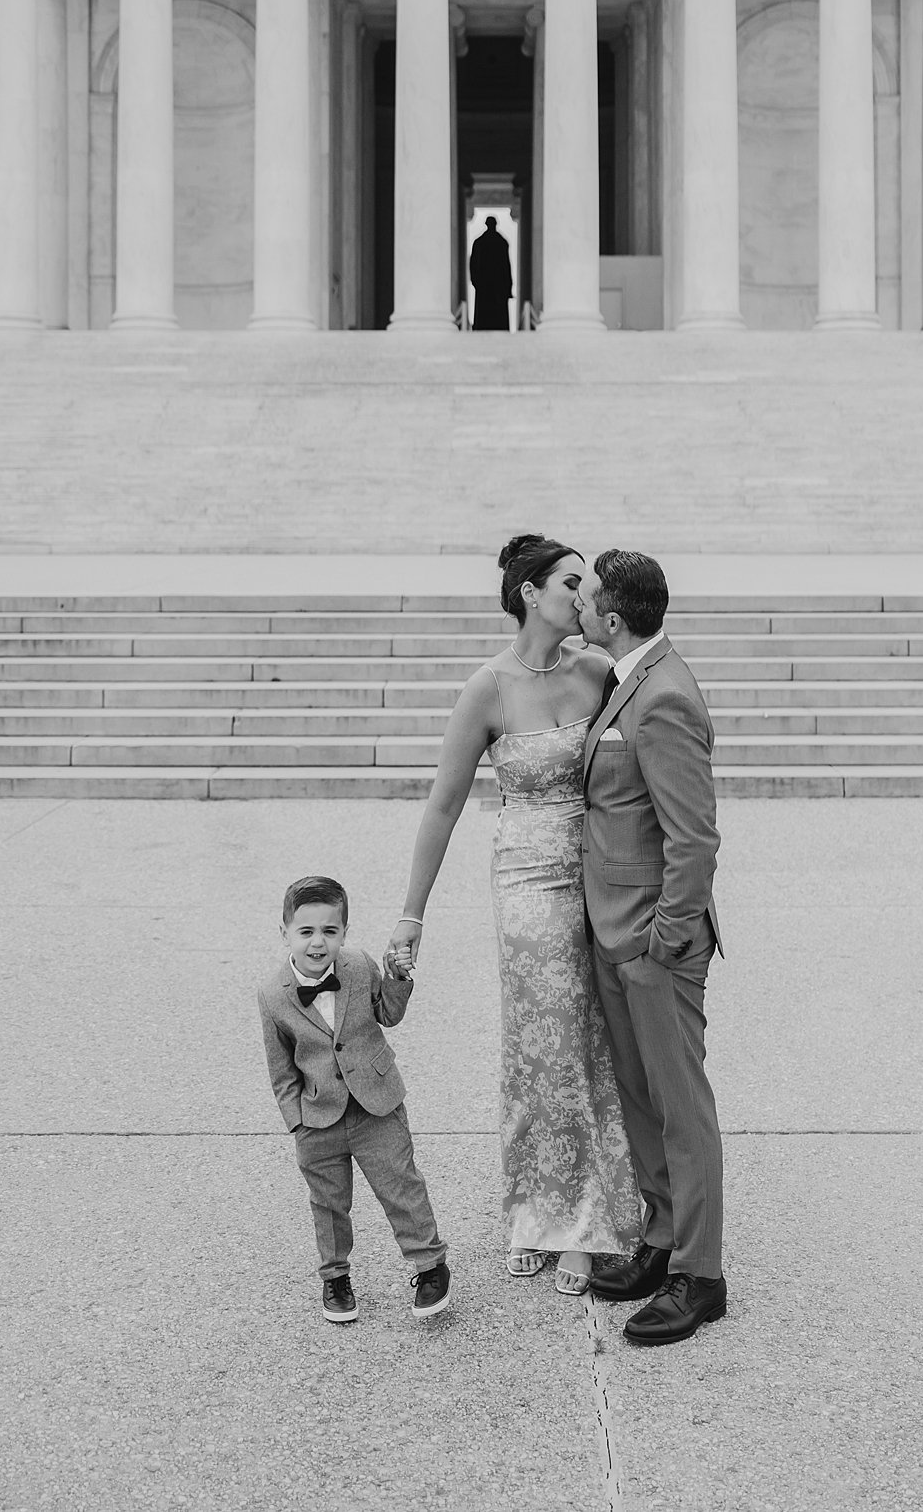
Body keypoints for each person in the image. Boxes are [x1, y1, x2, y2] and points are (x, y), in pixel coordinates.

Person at [389, 534, 640, 1293]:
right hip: (528, 884)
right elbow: (443, 806)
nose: (586, 597)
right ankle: (540, 1211)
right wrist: (411, 916)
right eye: (572, 583)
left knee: (598, 1040)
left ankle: (602, 1211)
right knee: (542, 1044)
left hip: (598, 877)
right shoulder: (488, 689)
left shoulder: (599, 671)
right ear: (530, 592)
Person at [575, 549, 727, 1346]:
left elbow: (694, 837)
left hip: (652, 944)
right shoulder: (626, 675)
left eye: (588, 599)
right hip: (614, 932)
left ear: (613, 616)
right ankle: (661, 1239)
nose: (578, 609)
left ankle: (701, 1275)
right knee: (640, 1100)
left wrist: (664, 940)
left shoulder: (664, 695)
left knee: (680, 1106)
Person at [256, 872, 451, 1324]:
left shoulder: (360, 965)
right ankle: (335, 1276)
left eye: (330, 930)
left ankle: (430, 1267)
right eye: (306, 932)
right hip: (318, 1116)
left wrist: (398, 978)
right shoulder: (271, 994)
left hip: (376, 1103)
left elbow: (388, 1014)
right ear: (284, 931)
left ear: (345, 931)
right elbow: (280, 1067)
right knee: (328, 1203)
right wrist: (296, 1122)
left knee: (401, 1186)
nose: (318, 942)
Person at [469, 215, 513, 331]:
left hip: (485, 286)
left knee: (484, 316)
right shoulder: (502, 242)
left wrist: (476, 282)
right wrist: (508, 287)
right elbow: (506, 267)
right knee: (499, 319)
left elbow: (473, 265)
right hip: (497, 286)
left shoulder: (479, 242)